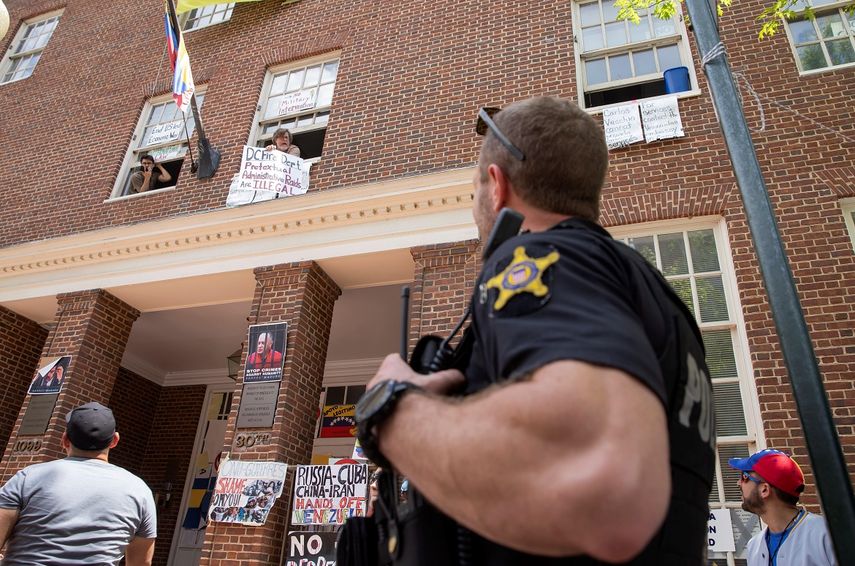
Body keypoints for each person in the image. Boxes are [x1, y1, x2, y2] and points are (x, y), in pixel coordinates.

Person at [356, 97, 715, 564]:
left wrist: (390, 410)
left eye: (472, 193)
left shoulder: (538, 259)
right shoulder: (653, 298)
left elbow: (604, 489)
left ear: (496, 187)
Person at [0, 402, 156, 565]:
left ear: (65, 439)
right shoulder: (139, 490)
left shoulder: (27, 478)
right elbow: (141, 562)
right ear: (114, 441)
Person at [729, 449, 835, 566]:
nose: (739, 483)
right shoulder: (754, 546)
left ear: (764, 489)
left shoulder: (826, 534)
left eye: (744, 476)